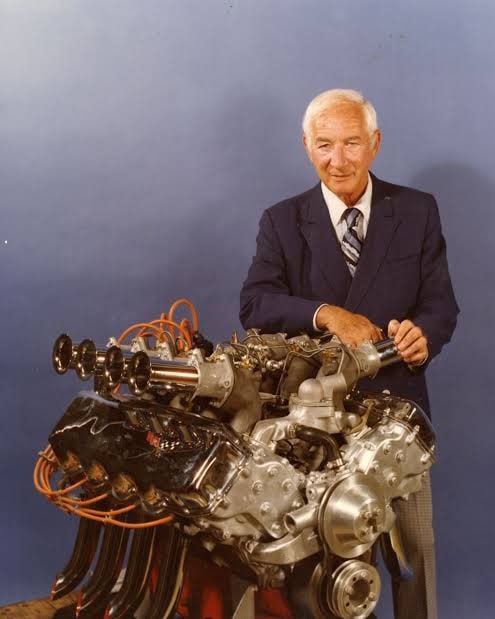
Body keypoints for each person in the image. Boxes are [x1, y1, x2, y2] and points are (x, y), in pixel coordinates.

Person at [239, 89, 459, 619]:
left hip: (396, 422)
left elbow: (441, 306)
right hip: (312, 428)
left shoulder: (416, 210)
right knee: (320, 569)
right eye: (324, 144)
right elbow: (255, 303)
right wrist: (326, 314)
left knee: (414, 558)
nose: (338, 160)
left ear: (375, 144)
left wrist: (423, 337)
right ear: (306, 146)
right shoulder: (282, 220)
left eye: (352, 143)